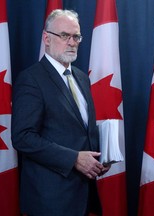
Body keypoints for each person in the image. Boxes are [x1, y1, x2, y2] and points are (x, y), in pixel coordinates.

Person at [11, 9, 110, 216]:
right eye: (64, 35)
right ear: (46, 38)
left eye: (76, 36)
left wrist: (100, 158)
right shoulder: (31, 79)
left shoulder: (82, 78)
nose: (72, 42)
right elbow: (23, 137)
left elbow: (78, 132)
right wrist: (74, 158)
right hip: (49, 200)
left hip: (82, 196)